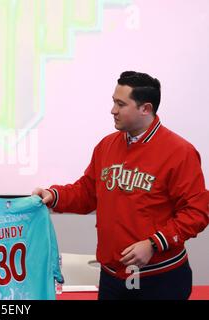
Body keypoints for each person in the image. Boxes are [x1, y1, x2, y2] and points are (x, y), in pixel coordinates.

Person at [32, 71, 209, 300]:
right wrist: (54, 195)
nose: (113, 110)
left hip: (160, 279)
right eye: (113, 102)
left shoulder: (180, 152)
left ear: (145, 108)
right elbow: (87, 192)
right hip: (112, 277)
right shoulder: (106, 146)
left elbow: (197, 212)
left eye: (120, 104)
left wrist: (154, 244)